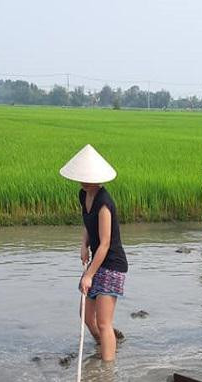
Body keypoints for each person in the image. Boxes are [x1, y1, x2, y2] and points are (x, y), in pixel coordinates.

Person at [59, 144, 128, 362]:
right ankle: (107, 344)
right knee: (87, 317)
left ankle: (106, 372)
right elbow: (89, 226)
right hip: (97, 261)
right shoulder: (83, 195)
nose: (82, 180)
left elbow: (106, 243)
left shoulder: (104, 203)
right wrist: (83, 244)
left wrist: (89, 275)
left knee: (103, 322)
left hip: (112, 264)